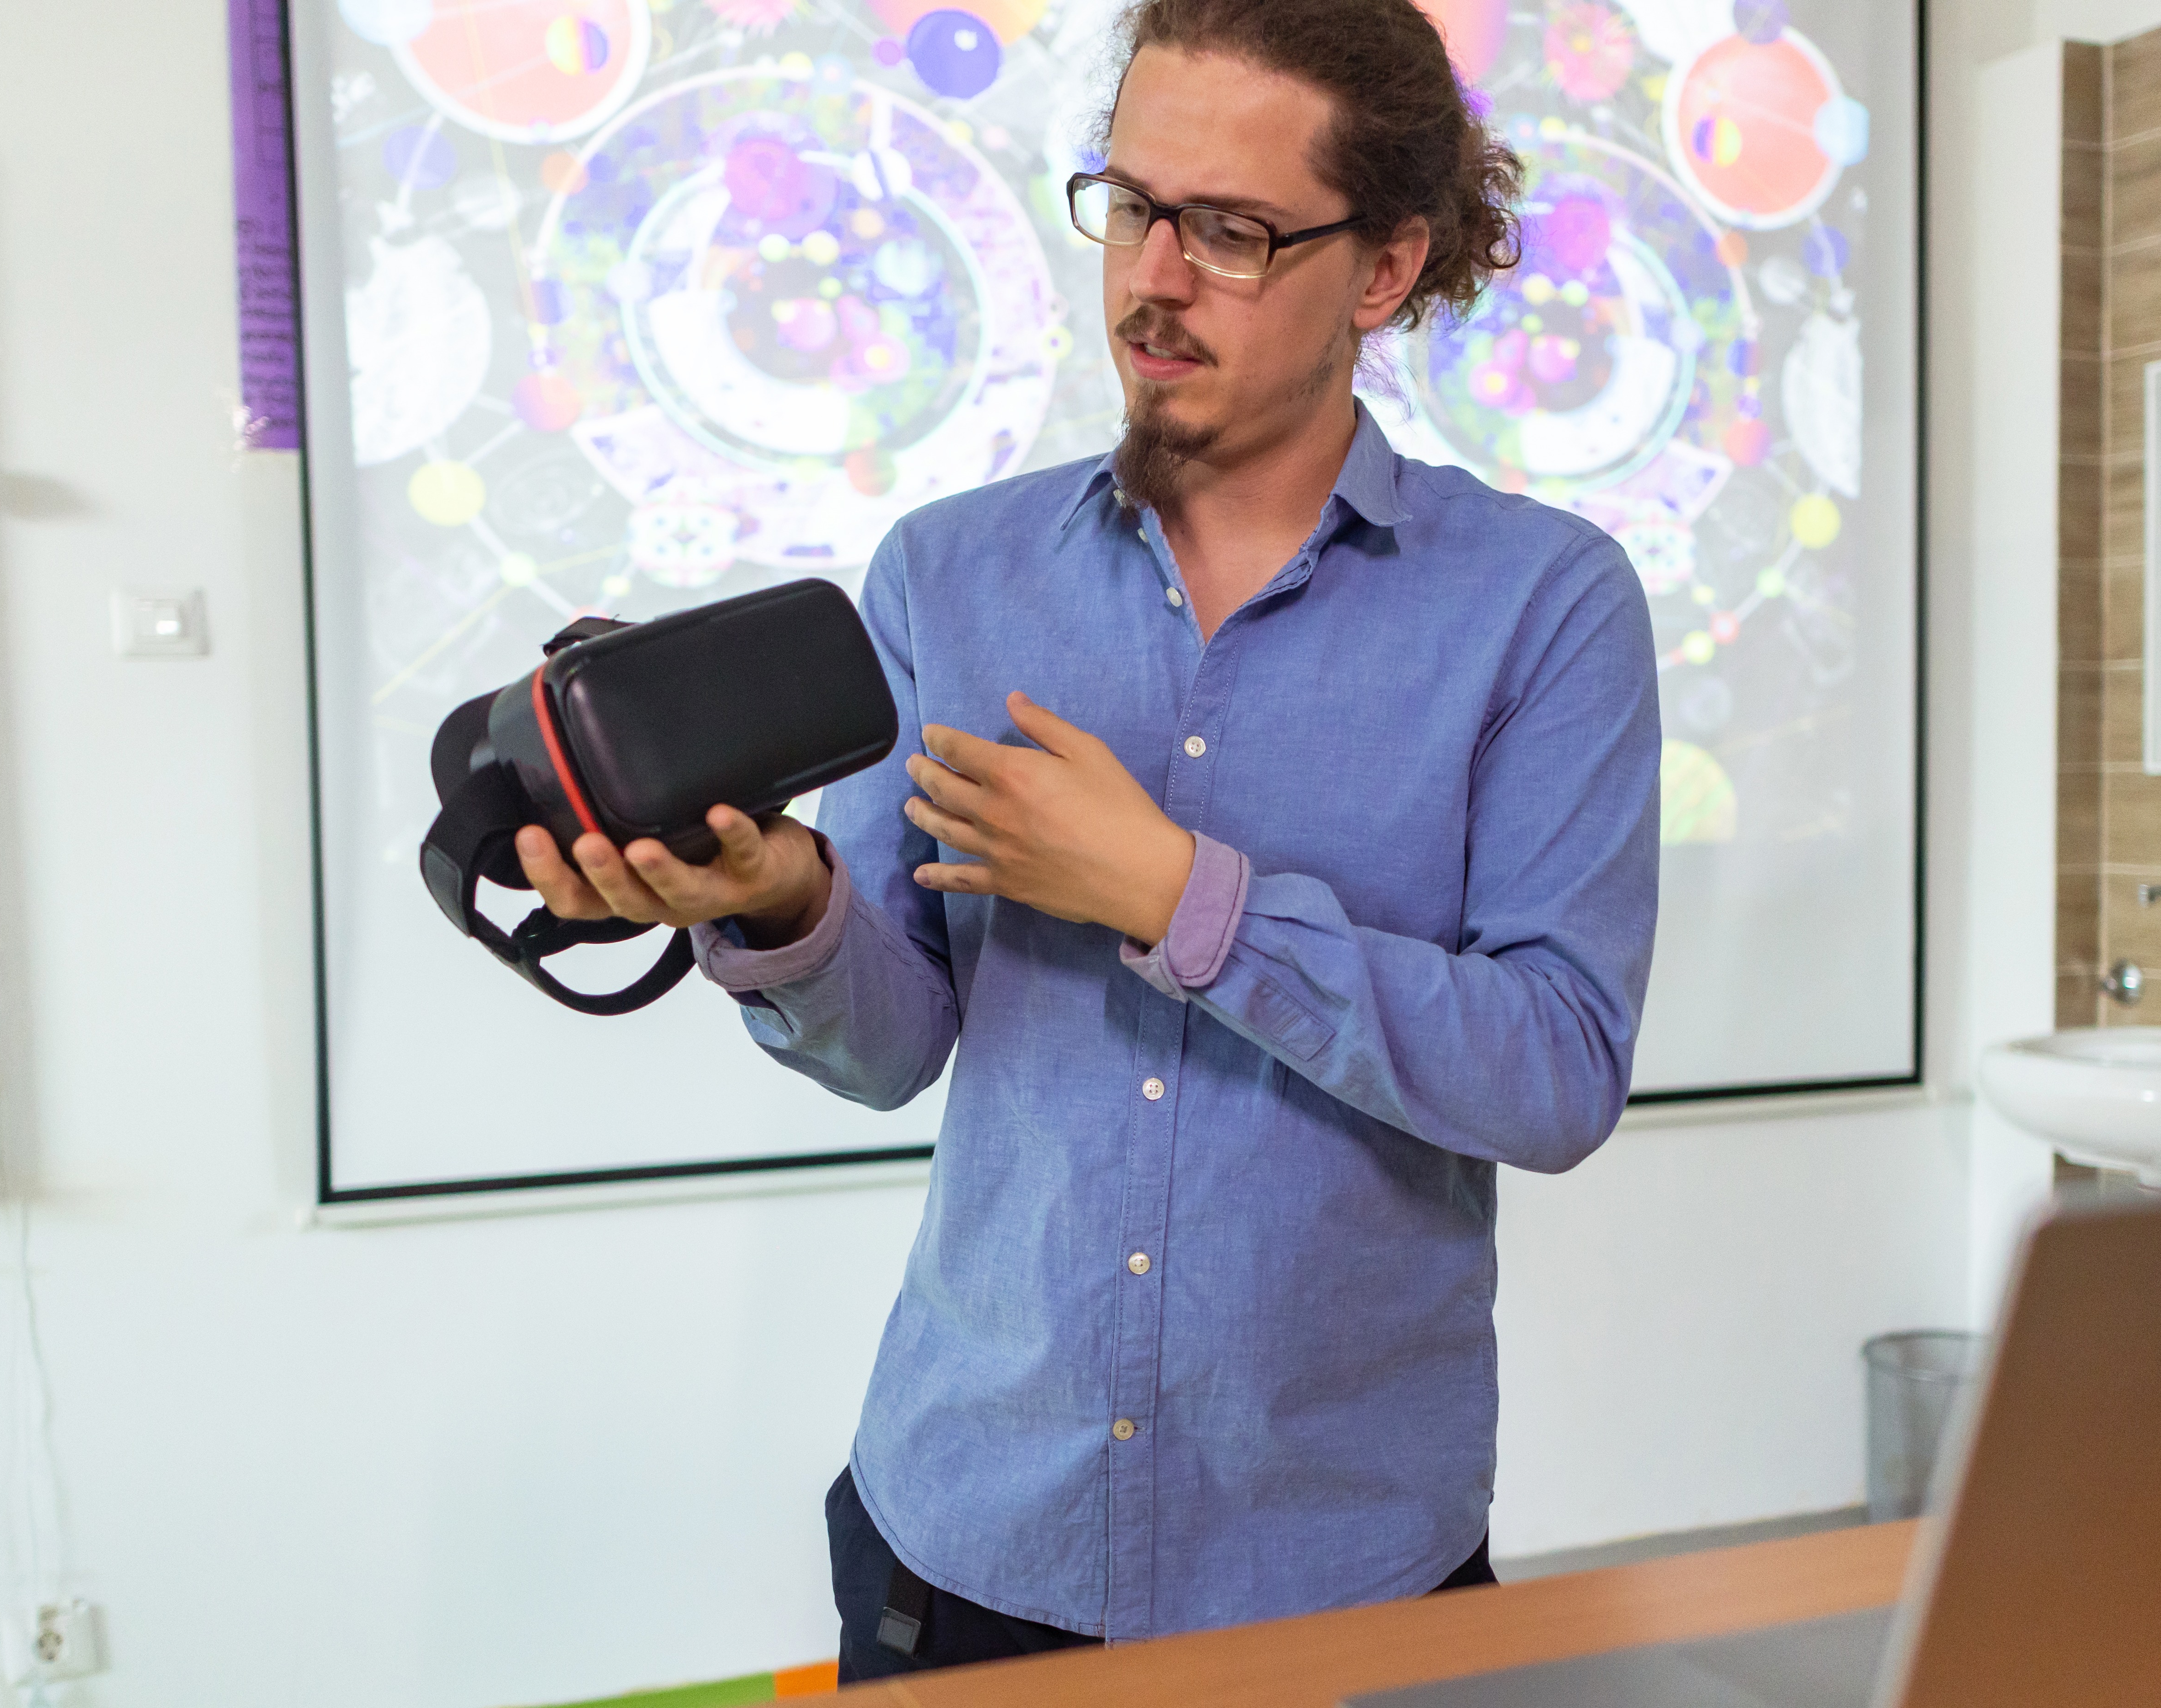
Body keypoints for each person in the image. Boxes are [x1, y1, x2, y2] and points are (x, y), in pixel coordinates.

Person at [512, 0, 1661, 1676]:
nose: (1152, 278)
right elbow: (891, 1044)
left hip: (1346, 1568)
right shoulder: (947, 575)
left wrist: (1179, 898)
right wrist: (789, 901)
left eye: (1234, 231)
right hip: (970, 1533)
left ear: (1388, 268)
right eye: (1129, 205)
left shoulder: (1546, 608)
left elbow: (1557, 1069)